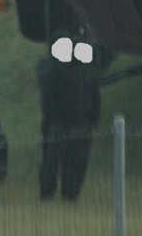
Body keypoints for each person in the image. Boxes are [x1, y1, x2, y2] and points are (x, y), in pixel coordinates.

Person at [37, 44, 102, 201]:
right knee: (63, 160)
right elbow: (95, 98)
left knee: (71, 160)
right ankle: (60, 193)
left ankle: (65, 194)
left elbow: (95, 98)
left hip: (73, 122)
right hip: (68, 122)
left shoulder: (84, 72)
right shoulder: (84, 72)